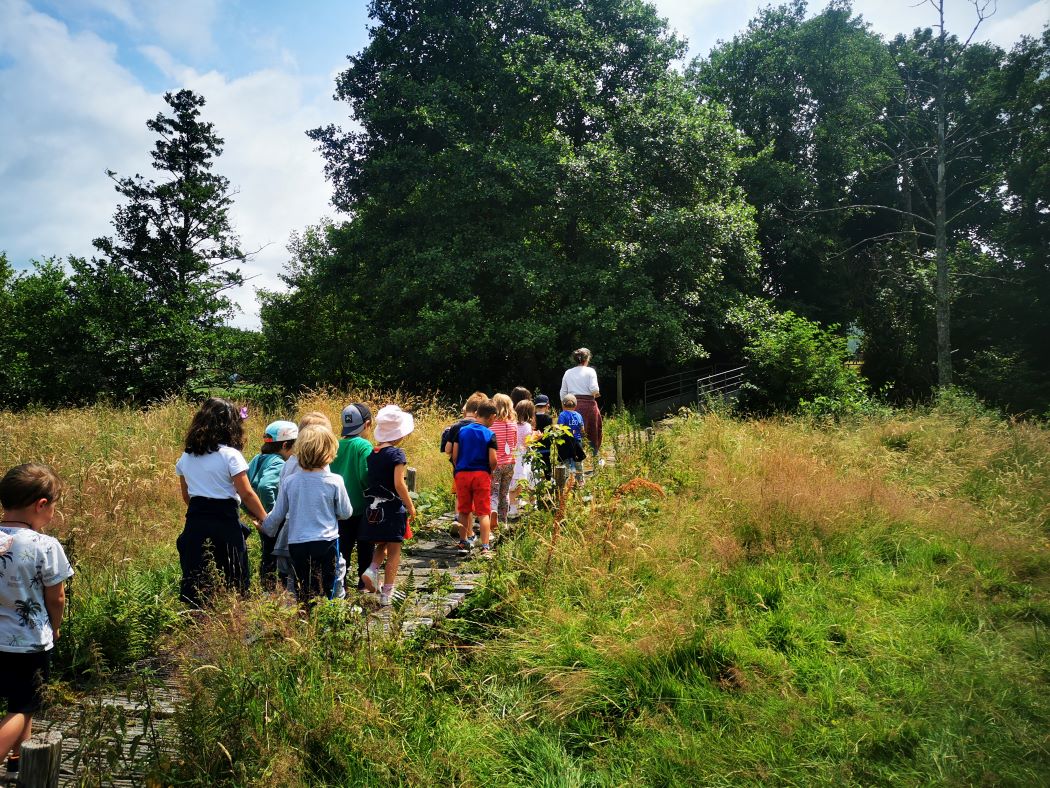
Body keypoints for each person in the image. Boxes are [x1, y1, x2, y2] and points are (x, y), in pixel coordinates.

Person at [0, 464, 73, 777]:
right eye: (53, 506)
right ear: (41, 505)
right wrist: (54, 627)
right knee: (23, 705)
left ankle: (19, 762)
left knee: (22, 701)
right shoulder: (46, 545)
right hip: (29, 642)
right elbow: (56, 598)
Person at [176, 398, 268, 607]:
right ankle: (234, 622)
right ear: (230, 426)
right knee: (235, 576)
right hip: (225, 521)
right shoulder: (230, 456)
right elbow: (246, 494)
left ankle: (198, 625)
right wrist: (265, 518)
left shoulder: (186, 457)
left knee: (198, 578)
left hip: (196, 521)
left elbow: (186, 497)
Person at [261, 425, 351, 604]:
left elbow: (278, 514)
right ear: (329, 451)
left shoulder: (290, 481)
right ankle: (327, 620)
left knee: (303, 586)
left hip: (298, 543)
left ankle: (306, 619)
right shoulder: (334, 481)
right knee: (328, 585)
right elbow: (345, 512)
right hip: (326, 542)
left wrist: (265, 528)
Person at [360, 405, 418, 605]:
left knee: (381, 544)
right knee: (394, 550)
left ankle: (372, 570)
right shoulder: (397, 455)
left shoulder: (373, 454)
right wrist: (410, 506)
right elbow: (399, 483)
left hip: (374, 509)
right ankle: (387, 592)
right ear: (399, 434)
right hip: (392, 509)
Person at [246, 420, 297, 591]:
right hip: (274, 521)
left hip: (260, 519)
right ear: (284, 445)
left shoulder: (257, 458)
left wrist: (253, 513)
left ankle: (266, 590)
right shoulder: (279, 463)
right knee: (279, 556)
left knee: (267, 555)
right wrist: (271, 515)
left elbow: (243, 488)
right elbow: (264, 486)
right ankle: (280, 591)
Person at [329, 403, 374, 593]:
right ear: (367, 424)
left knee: (343, 549)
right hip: (362, 507)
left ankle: (341, 585)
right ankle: (364, 585)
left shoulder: (336, 445)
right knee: (366, 548)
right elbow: (366, 475)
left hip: (340, 510)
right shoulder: (363, 445)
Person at [452, 399, 498, 559]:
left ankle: (463, 543)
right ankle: (485, 547)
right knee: (483, 512)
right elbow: (493, 460)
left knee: (464, 510)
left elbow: (455, 455)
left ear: (477, 413)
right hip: (481, 474)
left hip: (462, 474)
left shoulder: (462, 431)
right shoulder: (490, 434)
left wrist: (459, 469)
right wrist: (490, 470)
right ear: (492, 417)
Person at [559, 347, 602, 457]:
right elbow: (594, 390)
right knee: (593, 432)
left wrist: (565, 409)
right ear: (587, 359)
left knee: (573, 434)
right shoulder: (590, 371)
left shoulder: (568, 373)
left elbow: (563, 393)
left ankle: (574, 459)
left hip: (572, 406)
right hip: (589, 406)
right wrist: (596, 394)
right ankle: (595, 459)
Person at [489, 394, 518, 528]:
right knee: (504, 492)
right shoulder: (513, 424)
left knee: (494, 491)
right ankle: (503, 521)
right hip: (510, 463)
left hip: (495, 464)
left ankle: (493, 511)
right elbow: (515, 443)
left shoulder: (492, 424)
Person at [440, 391, 487, 472]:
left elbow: (447, 450)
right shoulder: (482, 427)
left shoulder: (455, 427)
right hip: (478, 470)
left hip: (459, 470)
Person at [511, 398, 537, 516]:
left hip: (514, 454)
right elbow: (527, 442)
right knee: (529, 480)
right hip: (523, 456)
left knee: (515, 483)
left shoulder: (512, 424)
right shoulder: (526, 426)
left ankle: (513, 508)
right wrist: (536, 437)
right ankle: (533, 505)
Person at [558, 394, 586, 479]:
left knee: (565, 461)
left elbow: (560, 428)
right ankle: (580, 481)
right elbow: (582, 430)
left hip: (565, 442)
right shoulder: (578, 415)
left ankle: (565, 481)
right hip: (577, 441)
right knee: (578, 461)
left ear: (563, 404)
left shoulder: (562, 415)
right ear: (576, 405)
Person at [532, 394, 554, 480]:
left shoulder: (533, 418)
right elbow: (550, 431)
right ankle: (549, 479)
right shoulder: (548, 418)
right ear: (547, 406)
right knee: (547, 462)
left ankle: (534, 480)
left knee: (535, 463)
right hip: (546, 445)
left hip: (535, 445)